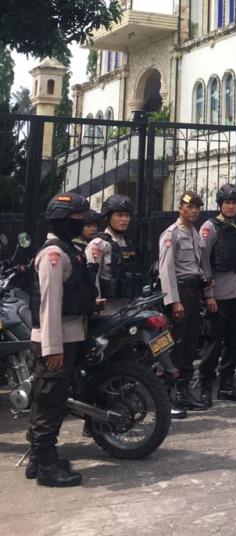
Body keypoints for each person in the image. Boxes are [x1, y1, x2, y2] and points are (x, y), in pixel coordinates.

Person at [26, 192, 98, 486]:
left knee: (51, 399)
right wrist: (52, 348)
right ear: (62, 219)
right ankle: (46, 468)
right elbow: (50, 304)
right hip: (56, 338)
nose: (81, 222)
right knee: (49, 402)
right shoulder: (53, 254)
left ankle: (39, 458)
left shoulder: (67, 249)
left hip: (69, 334)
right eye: (77, 218)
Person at [197, 183, 236, 405]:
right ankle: (205, 386)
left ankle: (227, 385)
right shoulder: (209, 227)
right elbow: (203, 264)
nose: (231, 207)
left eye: (234, 203)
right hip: (219, 294)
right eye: (227, 203)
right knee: (213, 344)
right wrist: (209, 295)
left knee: (233, 343)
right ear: (220, 205)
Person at [158, 190, 216, 411]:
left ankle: (183, 392)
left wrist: (208, 296)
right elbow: (166, 270)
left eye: (197, 208)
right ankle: (165, 396)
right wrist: (174, 302)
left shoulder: (196, 234)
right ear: (180, 208)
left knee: (191, 344)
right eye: (189, 207)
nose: (193, 211)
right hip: (179, 293)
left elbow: (204, 267)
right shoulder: (170, 234)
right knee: (173, 345)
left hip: (194, 292)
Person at [85, 195, 142, 312]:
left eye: (127, 215)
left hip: (129, 306)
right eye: (119, 215)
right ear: (108, 217)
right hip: (107, 309)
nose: (125, 219)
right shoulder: (99, 244)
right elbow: (91, 278)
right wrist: (95, 306)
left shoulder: (128, 243)